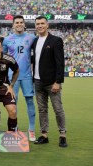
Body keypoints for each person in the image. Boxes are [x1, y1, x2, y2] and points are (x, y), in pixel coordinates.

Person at [32, 16, 67, 147]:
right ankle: (44, 135)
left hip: (51, 82)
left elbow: (60, 63)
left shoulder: (56, 40)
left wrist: (58, 81)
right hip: (37, 81)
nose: (40, 26)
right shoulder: (35, 41)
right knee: (42, 110)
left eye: (42, 23)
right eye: (37, 24)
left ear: (47, 25)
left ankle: (62, 134)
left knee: (58, 109)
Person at [3, 15, 36, 141]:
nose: (19, 24)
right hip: (12, 77)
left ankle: (31, 130)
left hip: (27, 75)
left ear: (24, 24)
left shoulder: (31, 38)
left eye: (21, 22)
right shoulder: (7, 40)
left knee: (29, 101)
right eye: (17, 22)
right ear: (13, 25)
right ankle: (14, 127)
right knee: (13, 103)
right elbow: (4, 58)